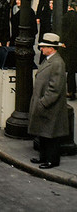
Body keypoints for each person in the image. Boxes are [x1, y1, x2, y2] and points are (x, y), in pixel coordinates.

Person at [28, 33, 69, 170]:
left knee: (51, 136)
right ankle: (44, 157)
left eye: (44, 47)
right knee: (44, 134)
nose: (41, 49)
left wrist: (43, 102)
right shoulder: (49, 60)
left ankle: (52, 160)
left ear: (51, 48)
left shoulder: (57, 63)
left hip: (51, 107)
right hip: (46, 105)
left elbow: (55, 88)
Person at [61, 0, 77, 100]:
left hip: (69, 46)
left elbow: (64, 30)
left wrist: (64, 42)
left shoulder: (68, 16)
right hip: (74, 45)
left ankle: (71, 90)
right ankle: (71, 90)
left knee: (69, 69)